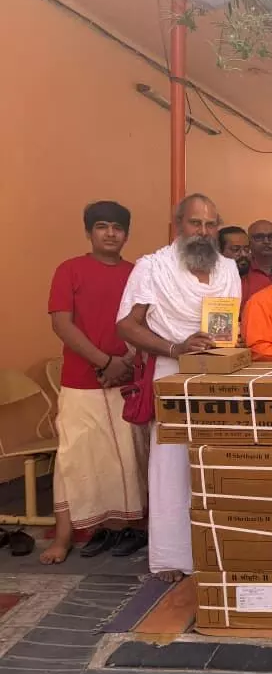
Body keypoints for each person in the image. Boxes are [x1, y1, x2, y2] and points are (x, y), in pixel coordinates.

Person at [116, 193, 241, 582]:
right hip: (172, 371)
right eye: (195, 223)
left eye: (210, 224)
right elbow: (126, 325)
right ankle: (170, 556)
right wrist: (175, 347)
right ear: (178, 225)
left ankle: (220, 548)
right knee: (171, 464)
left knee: (215, 462)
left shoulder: (228, 268)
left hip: (218, 375)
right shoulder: (152, 267)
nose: (203, 231)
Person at [41, 201, 148, 565]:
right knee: (76, 459)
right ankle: (64, 538)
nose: (110, 233)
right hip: (80, 382)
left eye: (117, 228)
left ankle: (124, 528)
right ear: (89, 232)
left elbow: (146, 324)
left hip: (127, 381)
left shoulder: (137, 274)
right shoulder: (69, 270)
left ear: (126, 234)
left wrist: (125, 363)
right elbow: (62, 323)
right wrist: (104, 362)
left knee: (128, 458)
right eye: (102, 226)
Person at [242, 219, 272, 303]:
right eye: (259, 237)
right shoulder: (240, 270)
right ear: (248, 242)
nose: (266, 241)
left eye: (271, 237)